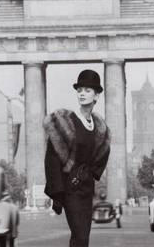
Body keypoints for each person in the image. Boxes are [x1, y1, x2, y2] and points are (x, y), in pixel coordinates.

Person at [43, 69, 111, 247]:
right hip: (69, 188)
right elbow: (51, 158)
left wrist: (93, 172)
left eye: (87, 90)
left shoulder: (99, 126)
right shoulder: (65, 123)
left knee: (82, 238)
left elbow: (103, 151)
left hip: (87, 189)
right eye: (79, 90)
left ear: (96, 96)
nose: (82, 94)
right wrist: (57, 193)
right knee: (80, 235)